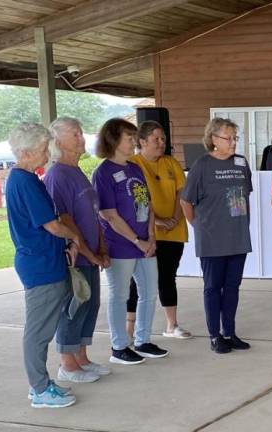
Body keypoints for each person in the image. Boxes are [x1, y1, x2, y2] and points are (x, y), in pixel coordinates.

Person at [6, 122, 80, 408]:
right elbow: (51, 225)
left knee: (44, 327)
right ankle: (39, 389)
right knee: (38, 332)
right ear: (25, 153)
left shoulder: (28, 178)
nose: (46, 154)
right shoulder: (24, 181)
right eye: (41, 149)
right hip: (40, 264)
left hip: (45, 260)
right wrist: (73, 235)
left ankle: (42, 384)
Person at [92, 118, 169, 365]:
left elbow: (146, 205)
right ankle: (119, 346)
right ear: (113, 140)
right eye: (129, 138)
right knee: (120, 295)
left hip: (146, 243)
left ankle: (143, 340)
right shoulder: (103, 172)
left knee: (149, 292)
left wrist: (151, 237)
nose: (133, 142)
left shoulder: (135, 168)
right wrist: (137, 240)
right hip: (121, 245)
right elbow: (109, 215)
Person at [44, 117, 111, 385]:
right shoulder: (57, 174)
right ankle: (67, 364)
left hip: (90, 254)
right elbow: (67, 221)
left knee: (90, 304)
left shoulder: (77, 171)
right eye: (75, 134)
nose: (82, 138)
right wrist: (91, 254)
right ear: (58, 141)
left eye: (81, 133)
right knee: (73, 307)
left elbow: (93, 216)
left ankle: (82, 357)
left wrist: (101, 248)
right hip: (75, 256)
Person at [181, 117, 253, 354]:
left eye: (235, 138)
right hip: (211, 238)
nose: (233, 142)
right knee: (213, 287)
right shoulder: (201, 165)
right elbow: (186, 201)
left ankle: (229, 333)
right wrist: (198, 226)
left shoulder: (241, 163)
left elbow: (245, 196)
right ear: (213, 139)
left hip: (238, 236)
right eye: (228, 138)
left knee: (232, 286)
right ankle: (215, 335)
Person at [125, 121, 192, 340]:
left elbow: (182, 192)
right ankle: (130, 329)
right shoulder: (133, 164)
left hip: (173, 232)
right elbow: (136, 198)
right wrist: (157, 222)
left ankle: (171, 325)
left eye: (163, 139)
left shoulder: (171, 163)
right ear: (142, 142)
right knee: (137, 280)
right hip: (145, 233)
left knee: (167, 277)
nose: (161, 143)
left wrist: (174, 217)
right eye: (156, 139)